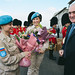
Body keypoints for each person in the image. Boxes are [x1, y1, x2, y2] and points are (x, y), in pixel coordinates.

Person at [59, 3, 75, 75]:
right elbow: (66, 42)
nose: (71, 15)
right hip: (68, 63)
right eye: (70, 13)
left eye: (74, 12)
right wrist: (63, 48)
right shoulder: (69, 27)